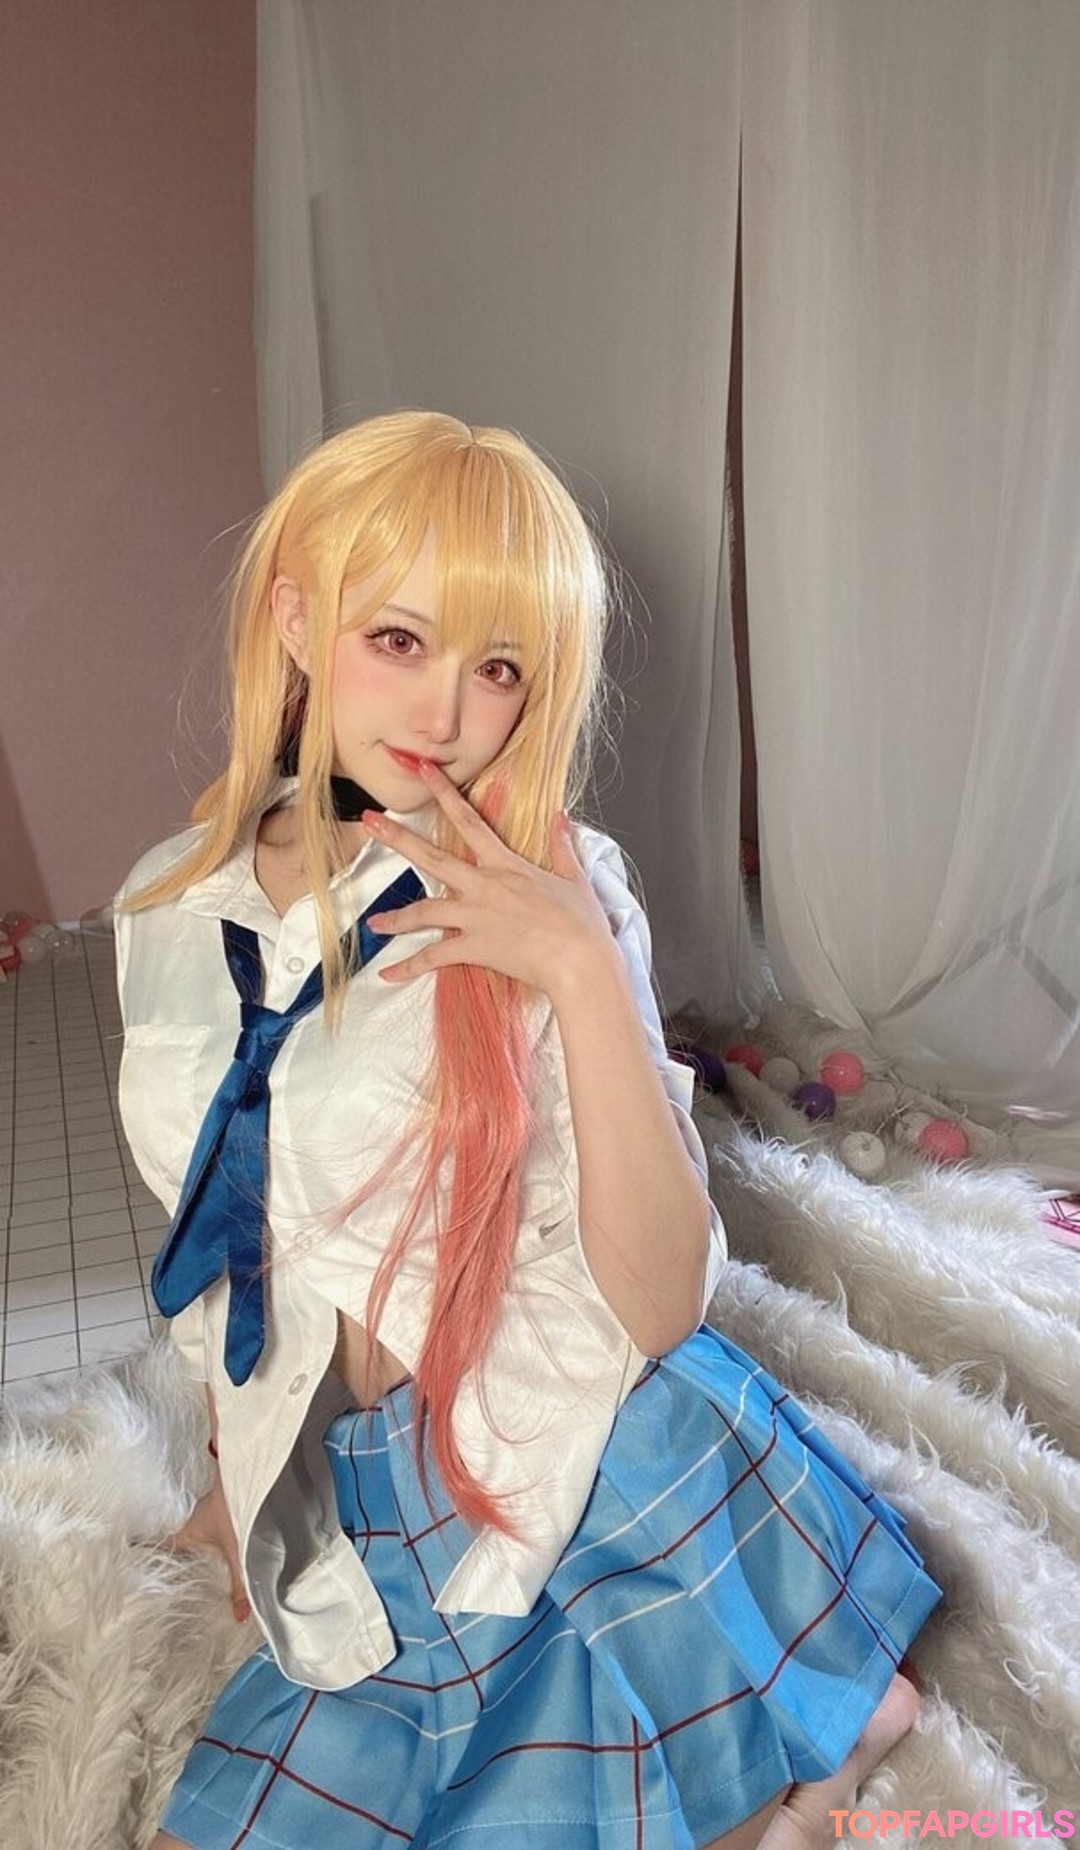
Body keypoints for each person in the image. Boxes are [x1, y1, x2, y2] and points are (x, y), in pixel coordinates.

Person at [114, 410, 939, 1850]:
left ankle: (829, 1724)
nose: (445, 712)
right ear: (297, 621)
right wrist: (235, 1486)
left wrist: (578, 968)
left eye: (499, 666)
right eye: (399, 640)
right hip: (361, 1505)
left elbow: (662, 1300)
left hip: (580, 1448)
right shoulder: (166, 909)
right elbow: (225, 1229)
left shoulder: (558, 884)